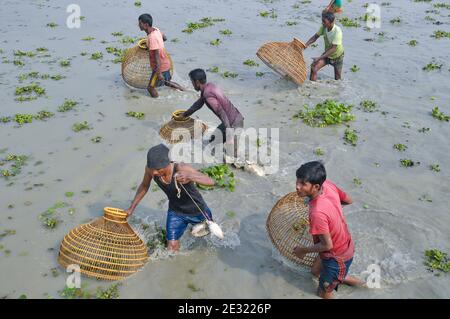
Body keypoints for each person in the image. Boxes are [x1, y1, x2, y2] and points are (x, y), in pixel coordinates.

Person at [125, 144, 215, 251]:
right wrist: (131, 208)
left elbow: (210, 181)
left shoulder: (181, 168)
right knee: (171, 246)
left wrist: (189, 176)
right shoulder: (150, 170)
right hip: (175, 211)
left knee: (206, 242)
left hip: (197, 210)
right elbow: (144, 185)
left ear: (168, 163)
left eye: (158, 169)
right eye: (152, 168)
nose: (154, 172)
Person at [293, 161, 363, 299]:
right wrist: (331, 211)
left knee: (323, 293)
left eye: (303, 184)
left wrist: (303, 250)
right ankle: (338, 277)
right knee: (315, 271)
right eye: (297, 181)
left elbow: (327, 245)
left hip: (337, 255)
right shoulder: (328, 185)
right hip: (342, 243)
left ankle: (354, 283)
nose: (297, 186)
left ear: (316, 186)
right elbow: (349, 200)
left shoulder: (317, 213)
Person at [182, 69, 244, 158]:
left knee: (233, 157)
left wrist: (229, 135)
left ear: (197, 82)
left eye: (192, 82)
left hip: (234, 124)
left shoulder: (208, 95)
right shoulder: (209, 87)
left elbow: (222, 113)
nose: (192, 84)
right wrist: (185, 114)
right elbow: (198, 104)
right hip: (234, 119)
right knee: (213, 140)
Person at [138, 14, 184, 98]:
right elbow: (165, 38)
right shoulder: (156, 30)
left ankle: (156, 103)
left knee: (150, 87)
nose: (138, 25)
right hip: (166, 62)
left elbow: (157, 57)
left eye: (140, 23)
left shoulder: (152, 38)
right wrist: (155, 45)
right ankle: (183, 90)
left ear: (146, 25)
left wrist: (158, 73)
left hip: (160, 66)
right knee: (166, 82)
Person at [304, 12, 344, 81]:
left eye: (324, 22)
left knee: (338, 79)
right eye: (322, 21)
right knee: (314, 68)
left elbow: (333, 49)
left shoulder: (337, 31)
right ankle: (312, 88)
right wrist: (305, 45)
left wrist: (319, 58)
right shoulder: (323, 28)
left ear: (331, 22)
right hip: (327, 55)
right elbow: (315, 37)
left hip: (338, 56)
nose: (322, 23)